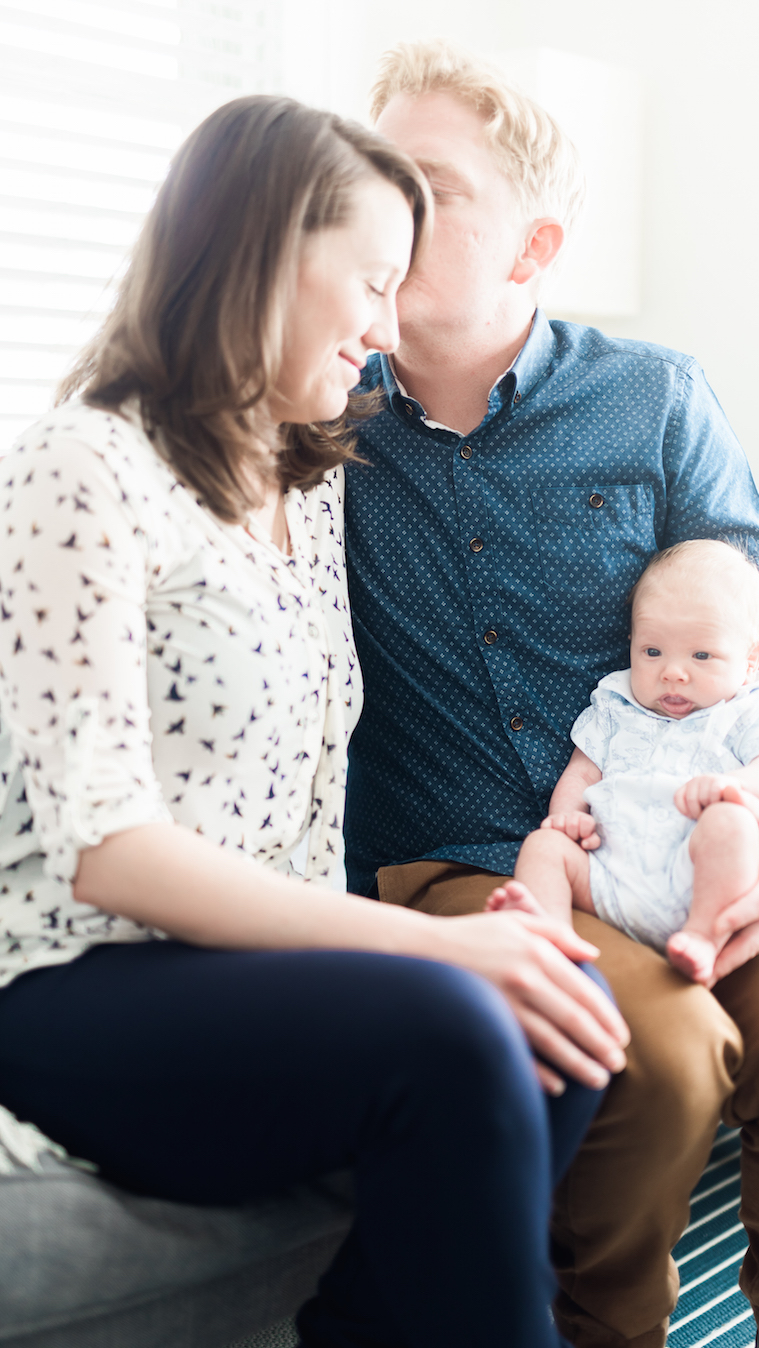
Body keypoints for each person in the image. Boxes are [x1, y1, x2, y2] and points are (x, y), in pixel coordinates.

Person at [0, 94, 631, 1348]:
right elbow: (108, 848)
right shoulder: (82, 466)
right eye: (374, 284)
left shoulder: (311, 480)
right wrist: (436, 951)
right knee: (462, 1023)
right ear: (267, 252)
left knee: (559, 1021)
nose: (391, 329)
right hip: (74, 975)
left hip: (263, 969)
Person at [342, 39, 759, 1348]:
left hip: (689, 832)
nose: (379, 208)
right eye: (368, 176)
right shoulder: (320, 422)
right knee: (653, 1053)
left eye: (426, 186)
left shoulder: (653, 401)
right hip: (466, 861)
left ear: (533, 250)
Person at [487, 540, 759, 988]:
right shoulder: (615, 701)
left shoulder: (747, 709)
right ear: (632, 640)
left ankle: (703, 936)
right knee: (544, 847)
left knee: (732, 824)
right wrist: (568, 819)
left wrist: (735, 787)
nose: (673, 672)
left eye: (701, 655)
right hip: (608, 871)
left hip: (695, 879)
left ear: (750, 660)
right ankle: (548, 932)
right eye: (652, 652)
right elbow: (582, 770)